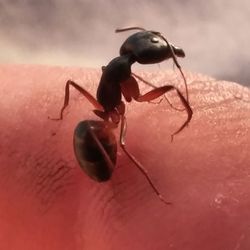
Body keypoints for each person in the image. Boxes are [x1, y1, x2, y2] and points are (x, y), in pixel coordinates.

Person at [0, 65, 249, 250]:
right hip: (93, 137)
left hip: (95, 129)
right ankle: (147, 183)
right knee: (122, 143)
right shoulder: (113, 89)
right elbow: (131, 96)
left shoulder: (114, 81)